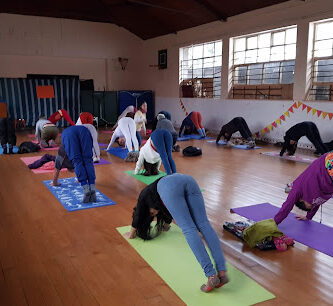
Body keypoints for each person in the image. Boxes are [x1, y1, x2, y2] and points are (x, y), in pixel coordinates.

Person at [125, 173, 228, 292]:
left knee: (189, 229)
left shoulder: (143, 196)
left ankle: (211, 275)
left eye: (152, 214)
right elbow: (169, 215)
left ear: (145, 211)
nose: (155, 214)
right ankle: (222, 272)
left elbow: (137, 216)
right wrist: (165, 227)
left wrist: (131, 234)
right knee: (205, 224)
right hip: (188, 179)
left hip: (168, 186)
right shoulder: (158, 200)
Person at [274, 151, 333, 225]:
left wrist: (275, 222)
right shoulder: (315, 200)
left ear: (301, 199)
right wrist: (308, 217)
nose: (313, 205)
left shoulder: (298, 189)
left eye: (310, 205)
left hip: (328, 163)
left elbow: (287, 206)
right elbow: (316, 203)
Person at [61, 125, 97, 203]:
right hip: (84, 130)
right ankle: (92, 188)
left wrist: (54, 182)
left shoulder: (62, 149)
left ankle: (86, 189)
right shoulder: (66, 134)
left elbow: (58, 163)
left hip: (68, 135)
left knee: (77, 161)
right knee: (88, 160)